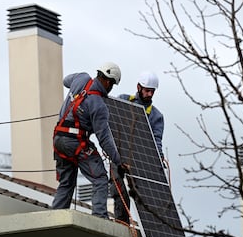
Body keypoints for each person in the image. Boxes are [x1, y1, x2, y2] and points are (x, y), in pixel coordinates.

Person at [52, 62, 128, 219]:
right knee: (100, 179)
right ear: (108, 81)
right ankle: (100, 217)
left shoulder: (81, 78)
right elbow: (104, 138)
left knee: (66, 183)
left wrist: (75, 92)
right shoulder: (99, 105)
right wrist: (118, 160)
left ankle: (55, 217)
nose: (111, 88)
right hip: (75, 142)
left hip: (58, 138)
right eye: (112, 84)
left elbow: (66, 81)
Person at [110, 71, 165, 223]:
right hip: (119, 156)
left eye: (152, 91)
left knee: (146, 196)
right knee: (118, 189)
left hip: (140, 160)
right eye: (147, 90)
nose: (149, 94)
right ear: (139, 87)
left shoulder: (156, 116)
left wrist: (158, 157)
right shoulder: (123, 100)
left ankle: (153, 227)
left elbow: (156, 140)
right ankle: (122, 221)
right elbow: (111, 121)